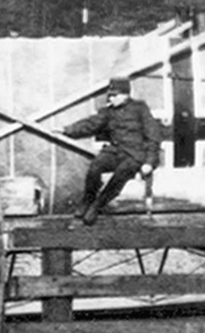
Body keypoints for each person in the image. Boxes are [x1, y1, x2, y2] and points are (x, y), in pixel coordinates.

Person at [61, 77, 164, 225]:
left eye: (115, 95)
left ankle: (97, 206)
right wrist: (66, 130)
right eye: (110, 95)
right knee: (95, 167)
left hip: (136, 155)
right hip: (116, 151)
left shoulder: (140, 109)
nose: (111, 98)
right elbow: (90, 124)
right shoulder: (108, 112)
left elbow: (153, 136)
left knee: (121, 173)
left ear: (126, 95)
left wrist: (149, 162)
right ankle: (87, 200)